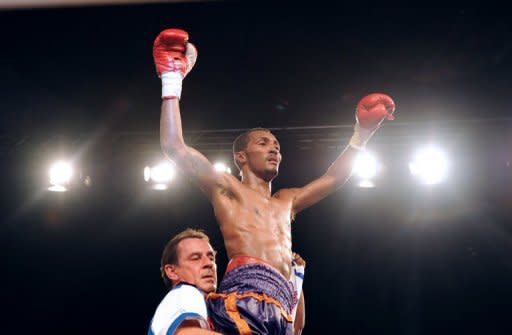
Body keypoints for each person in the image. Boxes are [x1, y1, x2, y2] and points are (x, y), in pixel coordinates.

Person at [153, 28, 395, 334]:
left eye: (277, 146)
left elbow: (334, 179)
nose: (274, 149)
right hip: (246, 296)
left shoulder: (287, 201)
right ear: (241, 156)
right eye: (264, 143)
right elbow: (174, 146)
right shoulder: (227, 189)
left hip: (282, 307)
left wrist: (362, 135)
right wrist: (171, 78)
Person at [147, 228, 222, 335]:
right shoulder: (185, 292)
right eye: (196, 258)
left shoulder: (206, 308)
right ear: (172, 271)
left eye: (211, 258)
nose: (209, 263)